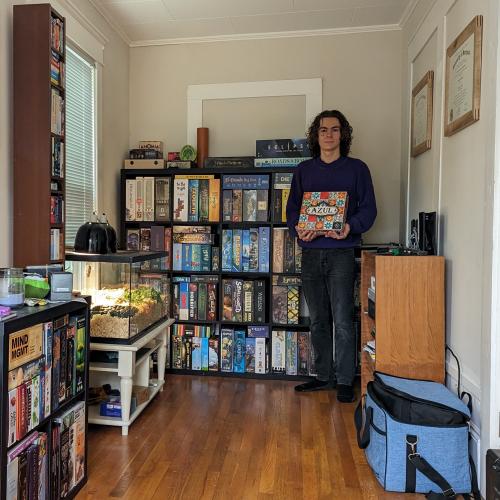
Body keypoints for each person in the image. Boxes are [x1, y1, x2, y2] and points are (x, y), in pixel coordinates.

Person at [286, 110, 377, 403]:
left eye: (335, 130)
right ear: (316, 135)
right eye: (323, 130)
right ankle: (322, 376)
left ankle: (344, 380)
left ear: (343, 134)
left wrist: (350, 226)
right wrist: (300, 232)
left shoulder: (357, 169)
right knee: (318, 319)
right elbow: (292, 212)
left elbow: (369, 210)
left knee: (343, 318)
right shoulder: (303, 170)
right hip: (311, 253)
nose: (329, 135)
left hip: (341, 252)